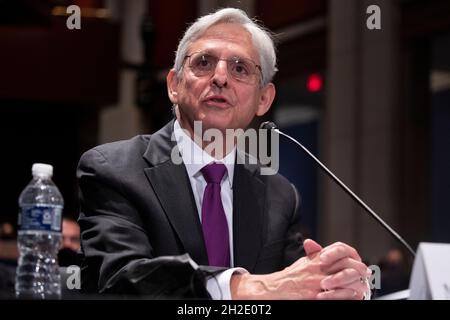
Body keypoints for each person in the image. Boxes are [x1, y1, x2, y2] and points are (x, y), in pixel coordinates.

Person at [77, 8, 370, 299]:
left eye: (240, 68)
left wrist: (331, 285)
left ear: (264, 99)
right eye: (204, 62)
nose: (220, 77)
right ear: (174, 85)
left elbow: (294, 285)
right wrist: (246, 288)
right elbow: (121, 282)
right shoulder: (113, 170)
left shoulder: (280, 195)